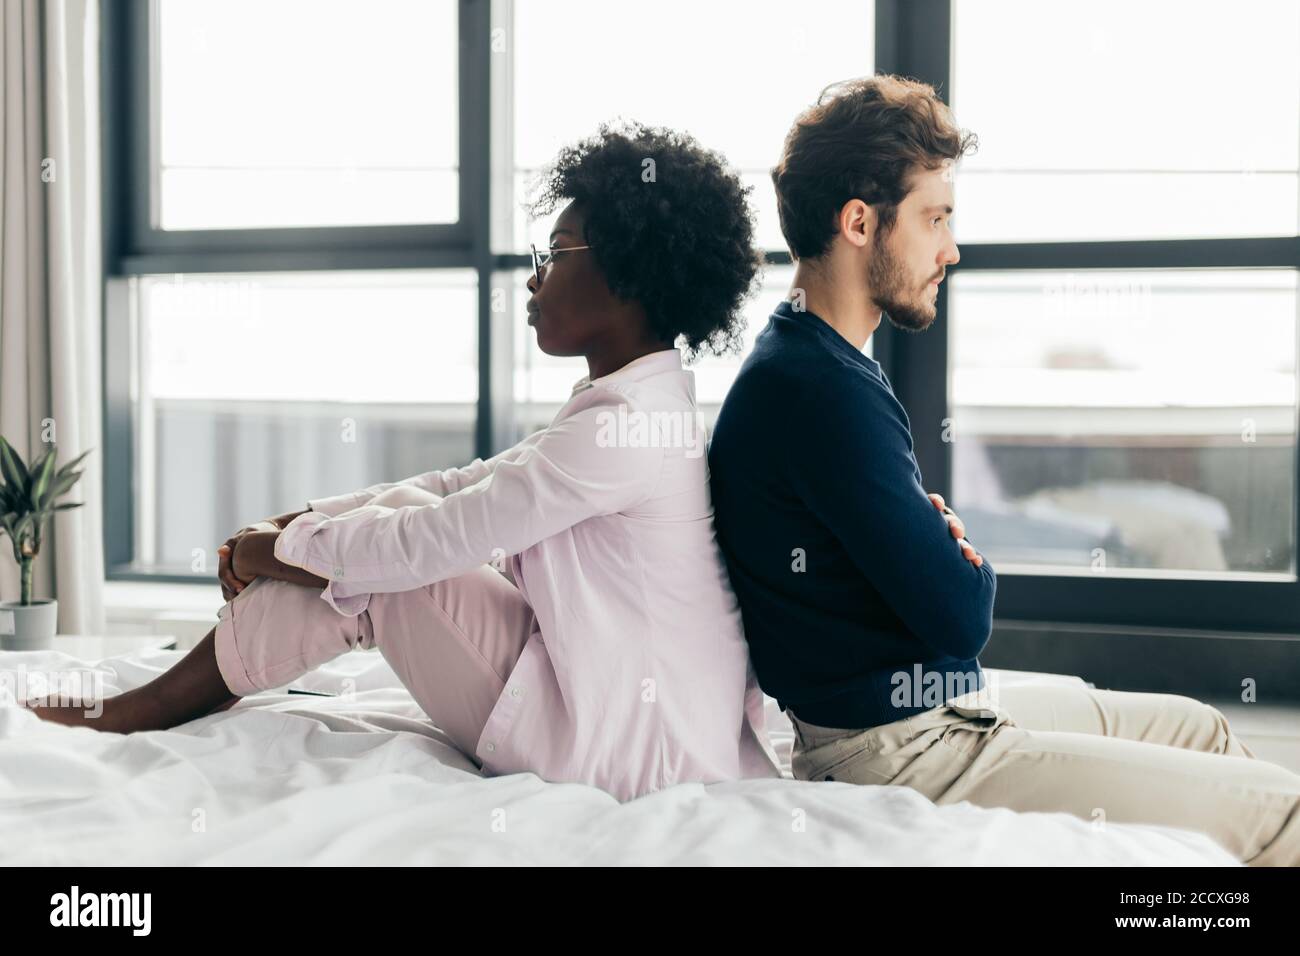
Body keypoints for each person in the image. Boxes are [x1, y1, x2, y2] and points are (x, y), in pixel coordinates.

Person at [31, 121, 782, 803]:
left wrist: (278, 550)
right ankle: (165, 696)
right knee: (377, 547)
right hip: (627, 719)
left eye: (554, 256)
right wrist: (301, 525)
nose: (532, 278)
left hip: (617, 749)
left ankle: (153, 705)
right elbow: (464, 486)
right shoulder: (633, 403)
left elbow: (439, 538)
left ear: (629, 276)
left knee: (393, 564)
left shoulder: (624, 428)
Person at [706, 74, 1300, 864]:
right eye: (934, 218)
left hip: (941, 707)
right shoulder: (817, 389)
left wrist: (933, 542)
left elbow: (917, 596)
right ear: (858, 222)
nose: (950, 249)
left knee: (1205, 726)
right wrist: (955, 554)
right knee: (1283, 810)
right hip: (903, 749)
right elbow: (962, 616)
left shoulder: (817, 361)